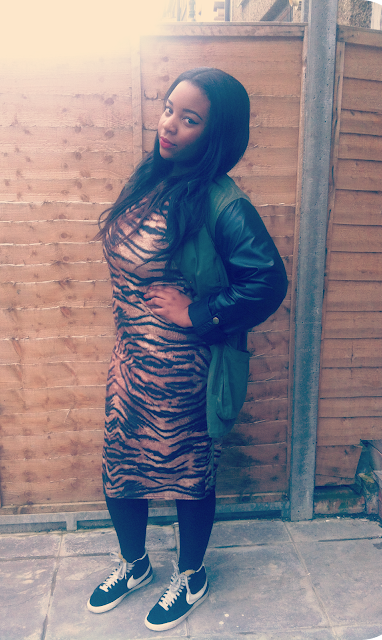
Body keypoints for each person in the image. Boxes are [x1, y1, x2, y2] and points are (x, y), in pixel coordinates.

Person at [86, 67, 288, 632]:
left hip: (183, 371)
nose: (169, 125)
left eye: (189, 118)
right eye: (169, 108)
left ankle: (191, 576)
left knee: (187, 473)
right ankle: (135, 565)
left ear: (215, 134)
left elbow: (267, 282)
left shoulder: (222, 202)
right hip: (130, 361)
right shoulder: (153, 178)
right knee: (121, 466)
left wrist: (197, 313)